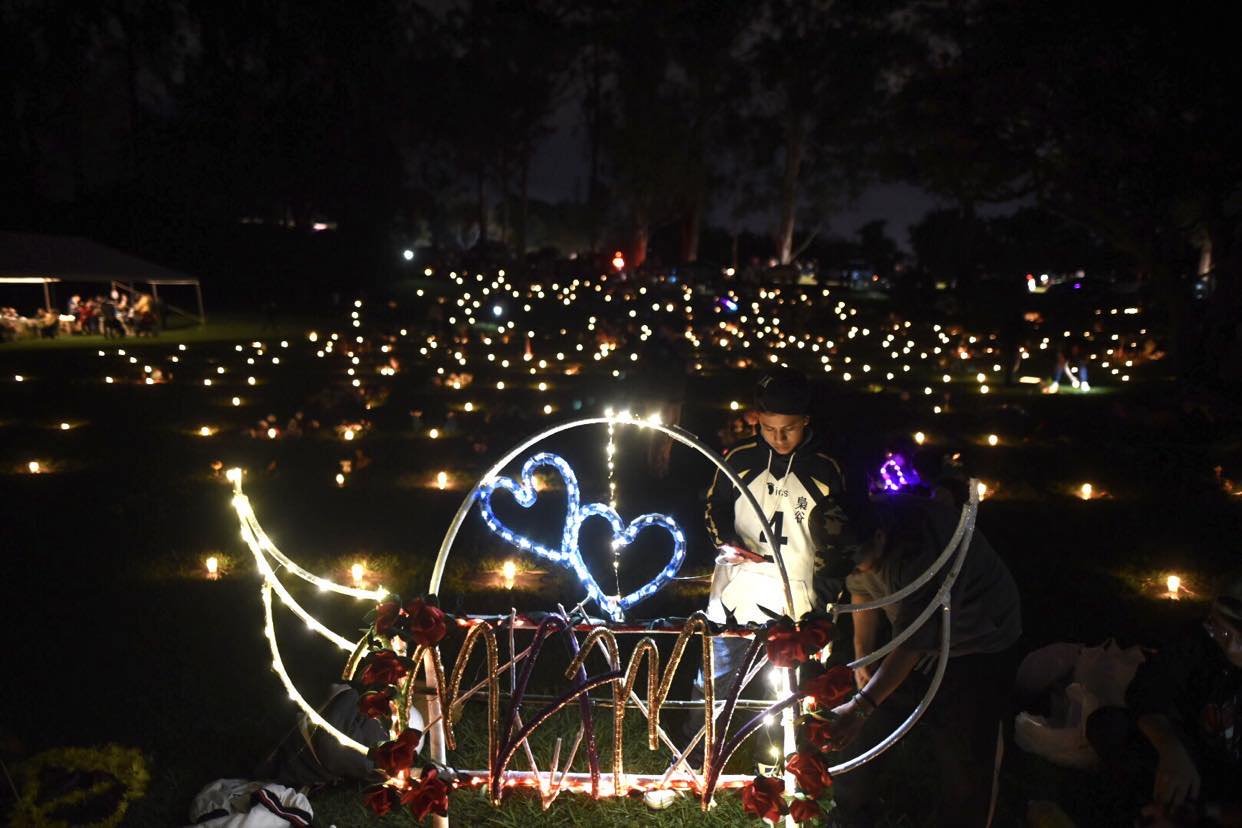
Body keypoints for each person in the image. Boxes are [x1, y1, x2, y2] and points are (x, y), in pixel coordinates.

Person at [825, 487, 1022, 828]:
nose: (854, 567)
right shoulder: (851, 542)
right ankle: (850, 815)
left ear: (880, 535)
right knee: (869, 723)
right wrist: (864, 654)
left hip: (978, 638)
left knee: (963, 751)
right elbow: (860, 588)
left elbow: (912, 645)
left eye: (857, 558)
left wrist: (862, 704)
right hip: (918, 634)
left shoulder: (920, 553)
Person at [681, 368, 848, 764]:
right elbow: (716, 506)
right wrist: (726, 539)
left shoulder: (825, 470)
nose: (778, 438)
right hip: (736, 592)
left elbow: (839, 538)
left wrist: (822, 603)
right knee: (715, 673)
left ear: (806, 420)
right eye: (769, 428)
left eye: (788, 429)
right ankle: (693, 750)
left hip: (795, 600)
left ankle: (773, 762)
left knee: (783, 687)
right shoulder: (740, 459)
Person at [1085, 572, 1242, 826]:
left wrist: (1202, 813)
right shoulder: (1200, 641)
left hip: (1230, 796)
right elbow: (1147, 691)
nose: (1232, 648)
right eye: (1223, 633)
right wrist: (1171, 749)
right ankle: (1158, 807)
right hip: (1192, 762)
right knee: (1108, 725)